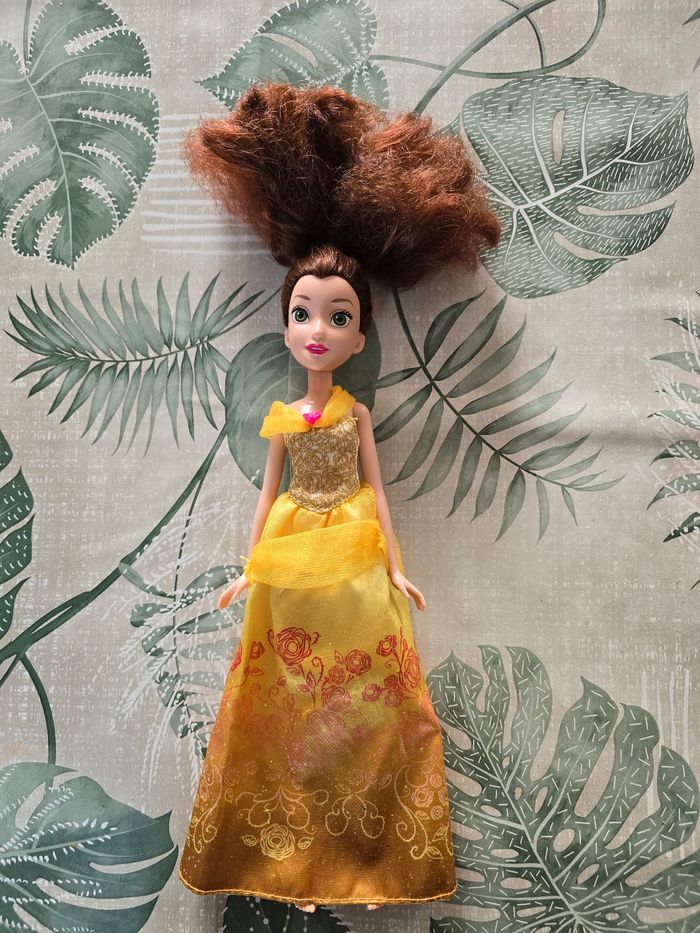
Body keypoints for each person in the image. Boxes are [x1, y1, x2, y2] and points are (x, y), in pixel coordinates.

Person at [177, 81, 501, 911]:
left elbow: (379, 492)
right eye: (305, 313)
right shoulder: (286, 417)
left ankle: (367, 853)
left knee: (369, 699)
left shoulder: (354, 413)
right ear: (287, 323)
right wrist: (249, 568)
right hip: (290, 552)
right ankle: (284, 855)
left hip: (354, 547)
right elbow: (268, 491)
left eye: (338, 316)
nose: (318, 330)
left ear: (358, 335)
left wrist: (396, 568)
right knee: (279, 695)